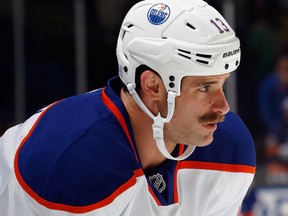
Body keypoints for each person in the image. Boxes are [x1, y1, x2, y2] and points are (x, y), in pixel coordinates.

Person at [0, 0, 256, 215]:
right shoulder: (69, 163)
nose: (223, 106)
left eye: (223, 84)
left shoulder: (230, 150)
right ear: (153, 86)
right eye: (204, 88)